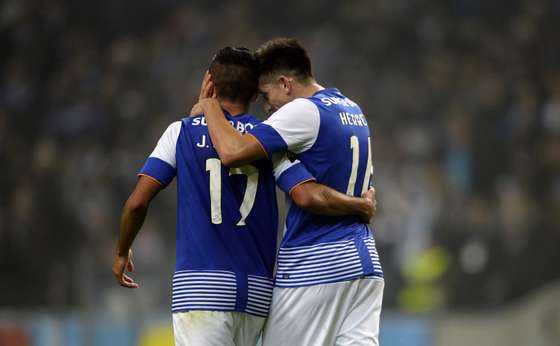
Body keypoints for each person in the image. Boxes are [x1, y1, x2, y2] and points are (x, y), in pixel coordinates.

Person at [112, 47, 376, 346]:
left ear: (208, 83)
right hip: (256, 293)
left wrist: (122, 251)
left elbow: (137, 203)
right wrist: (359, 204)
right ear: (253, 95)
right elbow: (304, 192)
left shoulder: (180, 133)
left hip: (201, 288)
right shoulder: (267, 141)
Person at [197, 38, 384, 345]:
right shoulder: (352, 109)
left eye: (267, 95)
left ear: (285, 83)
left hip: (316, 262)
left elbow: (231, 152)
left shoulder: (303, 112)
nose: (267, 108)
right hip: (363, 263)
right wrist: (358, 205)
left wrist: (208, 105)